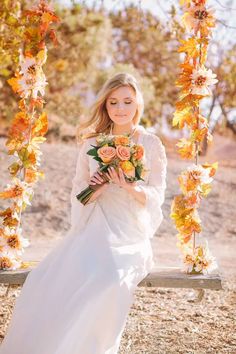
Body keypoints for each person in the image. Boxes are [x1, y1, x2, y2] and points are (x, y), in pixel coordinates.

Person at [0, 72, 167, 354]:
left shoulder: (150, 144)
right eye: (113, 102)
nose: (120, 109)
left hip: (130, 231)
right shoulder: (91, 144)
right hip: (94, 225)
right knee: (48, 280)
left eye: (127, 101)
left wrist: (127, 185)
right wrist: (96, 189)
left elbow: (156, 195)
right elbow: (78, 193)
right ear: (105, 105)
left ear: (137, 103)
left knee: (110, 277)